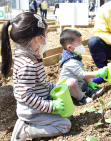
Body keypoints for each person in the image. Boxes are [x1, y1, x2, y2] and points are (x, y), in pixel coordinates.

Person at [0, 12, 72, 140]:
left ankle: (32, 123)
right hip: (31, 110)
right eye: (46, 34)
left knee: (66, 113)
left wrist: (54, 88)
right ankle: (26, 129)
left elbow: (40, 83)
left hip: (38, 103)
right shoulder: (27, 64)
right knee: (65, 125)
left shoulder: (32, 57)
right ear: (37, 38)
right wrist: (51, 107)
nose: (47, 38)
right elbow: (26, 96)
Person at [59, 29, 107, 105]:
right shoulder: (70, 62)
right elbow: (82, 74)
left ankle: (90, 91)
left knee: (82, 82)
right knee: (72, 83)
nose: (81, 45)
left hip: (78, 82)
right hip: (67, 88)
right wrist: (98, 73)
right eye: (79, 43)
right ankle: (82, 98)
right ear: (69, 47)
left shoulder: (75, 56)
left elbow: (82, 73)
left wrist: (90, 82)